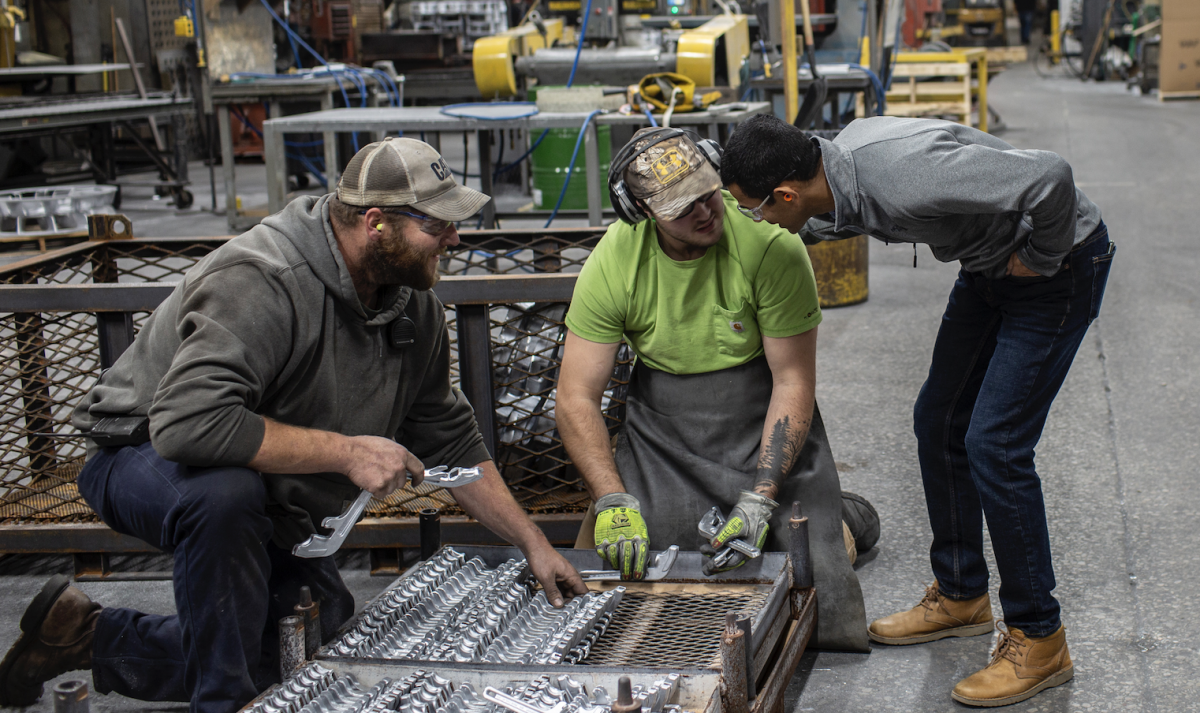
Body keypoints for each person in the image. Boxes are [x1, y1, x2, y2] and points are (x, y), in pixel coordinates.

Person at [0, 138, 587, 713]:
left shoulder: (411, 305)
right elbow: (187, 426)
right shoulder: (263, 278)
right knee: (222, 498)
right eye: (437, 225)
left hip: (256, 477)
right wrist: (348, 451)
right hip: (143, 455)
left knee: (308, 644)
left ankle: (85, 636)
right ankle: (225, 703)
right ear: (376, 222)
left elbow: (451, 438)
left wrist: (533, 544)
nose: (456, 238)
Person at [720, 114, 1114, 707]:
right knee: (938, 421)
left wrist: (1041, 254)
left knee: (995, 445)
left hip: (1056, 267)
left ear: (785, 194)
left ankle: (1040, 638)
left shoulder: (901, 178)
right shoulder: (830, 167)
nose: (761, 222)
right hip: (989, 270)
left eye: (759, 211)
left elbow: (1050, 177)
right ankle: (962, 596)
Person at [556, 127, 873, 651]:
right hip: (664, 431)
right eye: (684, 209)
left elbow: (793, 380)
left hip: (759, 419)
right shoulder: (616, 261)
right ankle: (829, 511)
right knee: (622, 574)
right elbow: (576, 397)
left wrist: (762, 496)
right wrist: (612, 500)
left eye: (709, 194)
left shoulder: (772, 245)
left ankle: (844, 520)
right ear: (642, 213)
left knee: (807, 566)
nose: (706, 212)